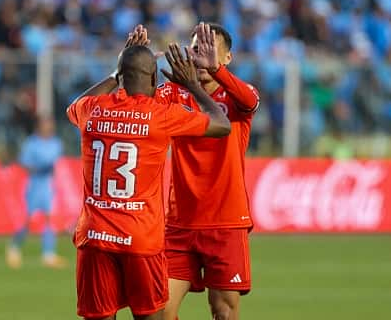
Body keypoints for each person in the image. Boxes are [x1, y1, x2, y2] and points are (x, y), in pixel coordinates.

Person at [66, 25, 231, 320]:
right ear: (154, 78)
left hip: (95, 237)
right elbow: (221, 124)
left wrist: (117, 73)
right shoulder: (159, 116)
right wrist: (192, 84)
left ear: (121, 76)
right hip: (141, 239)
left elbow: (73, 106)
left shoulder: (92, 110)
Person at [157, 22, 260, 320]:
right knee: (160, 311)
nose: (202, 57)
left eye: (210, 51)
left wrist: (215, 72)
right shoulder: (174, 94)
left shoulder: (238, 96)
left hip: (226, 222)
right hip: (180, 222)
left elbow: (251, 102)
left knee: (223, 311)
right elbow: (141, 100)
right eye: (197, 49)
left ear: (227, 58)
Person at [6, 116, 66, 269]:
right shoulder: (31, 143)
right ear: (39, 127)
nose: (49, 128)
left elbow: (55, 162)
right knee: (28, 219)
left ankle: (48, 254)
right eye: (46, 124)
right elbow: (24, 163)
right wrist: (39, 167)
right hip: (34, 184)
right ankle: (14, 246)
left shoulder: (56, 143)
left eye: (51, 124)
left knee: (49, 219)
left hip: (47, 185)